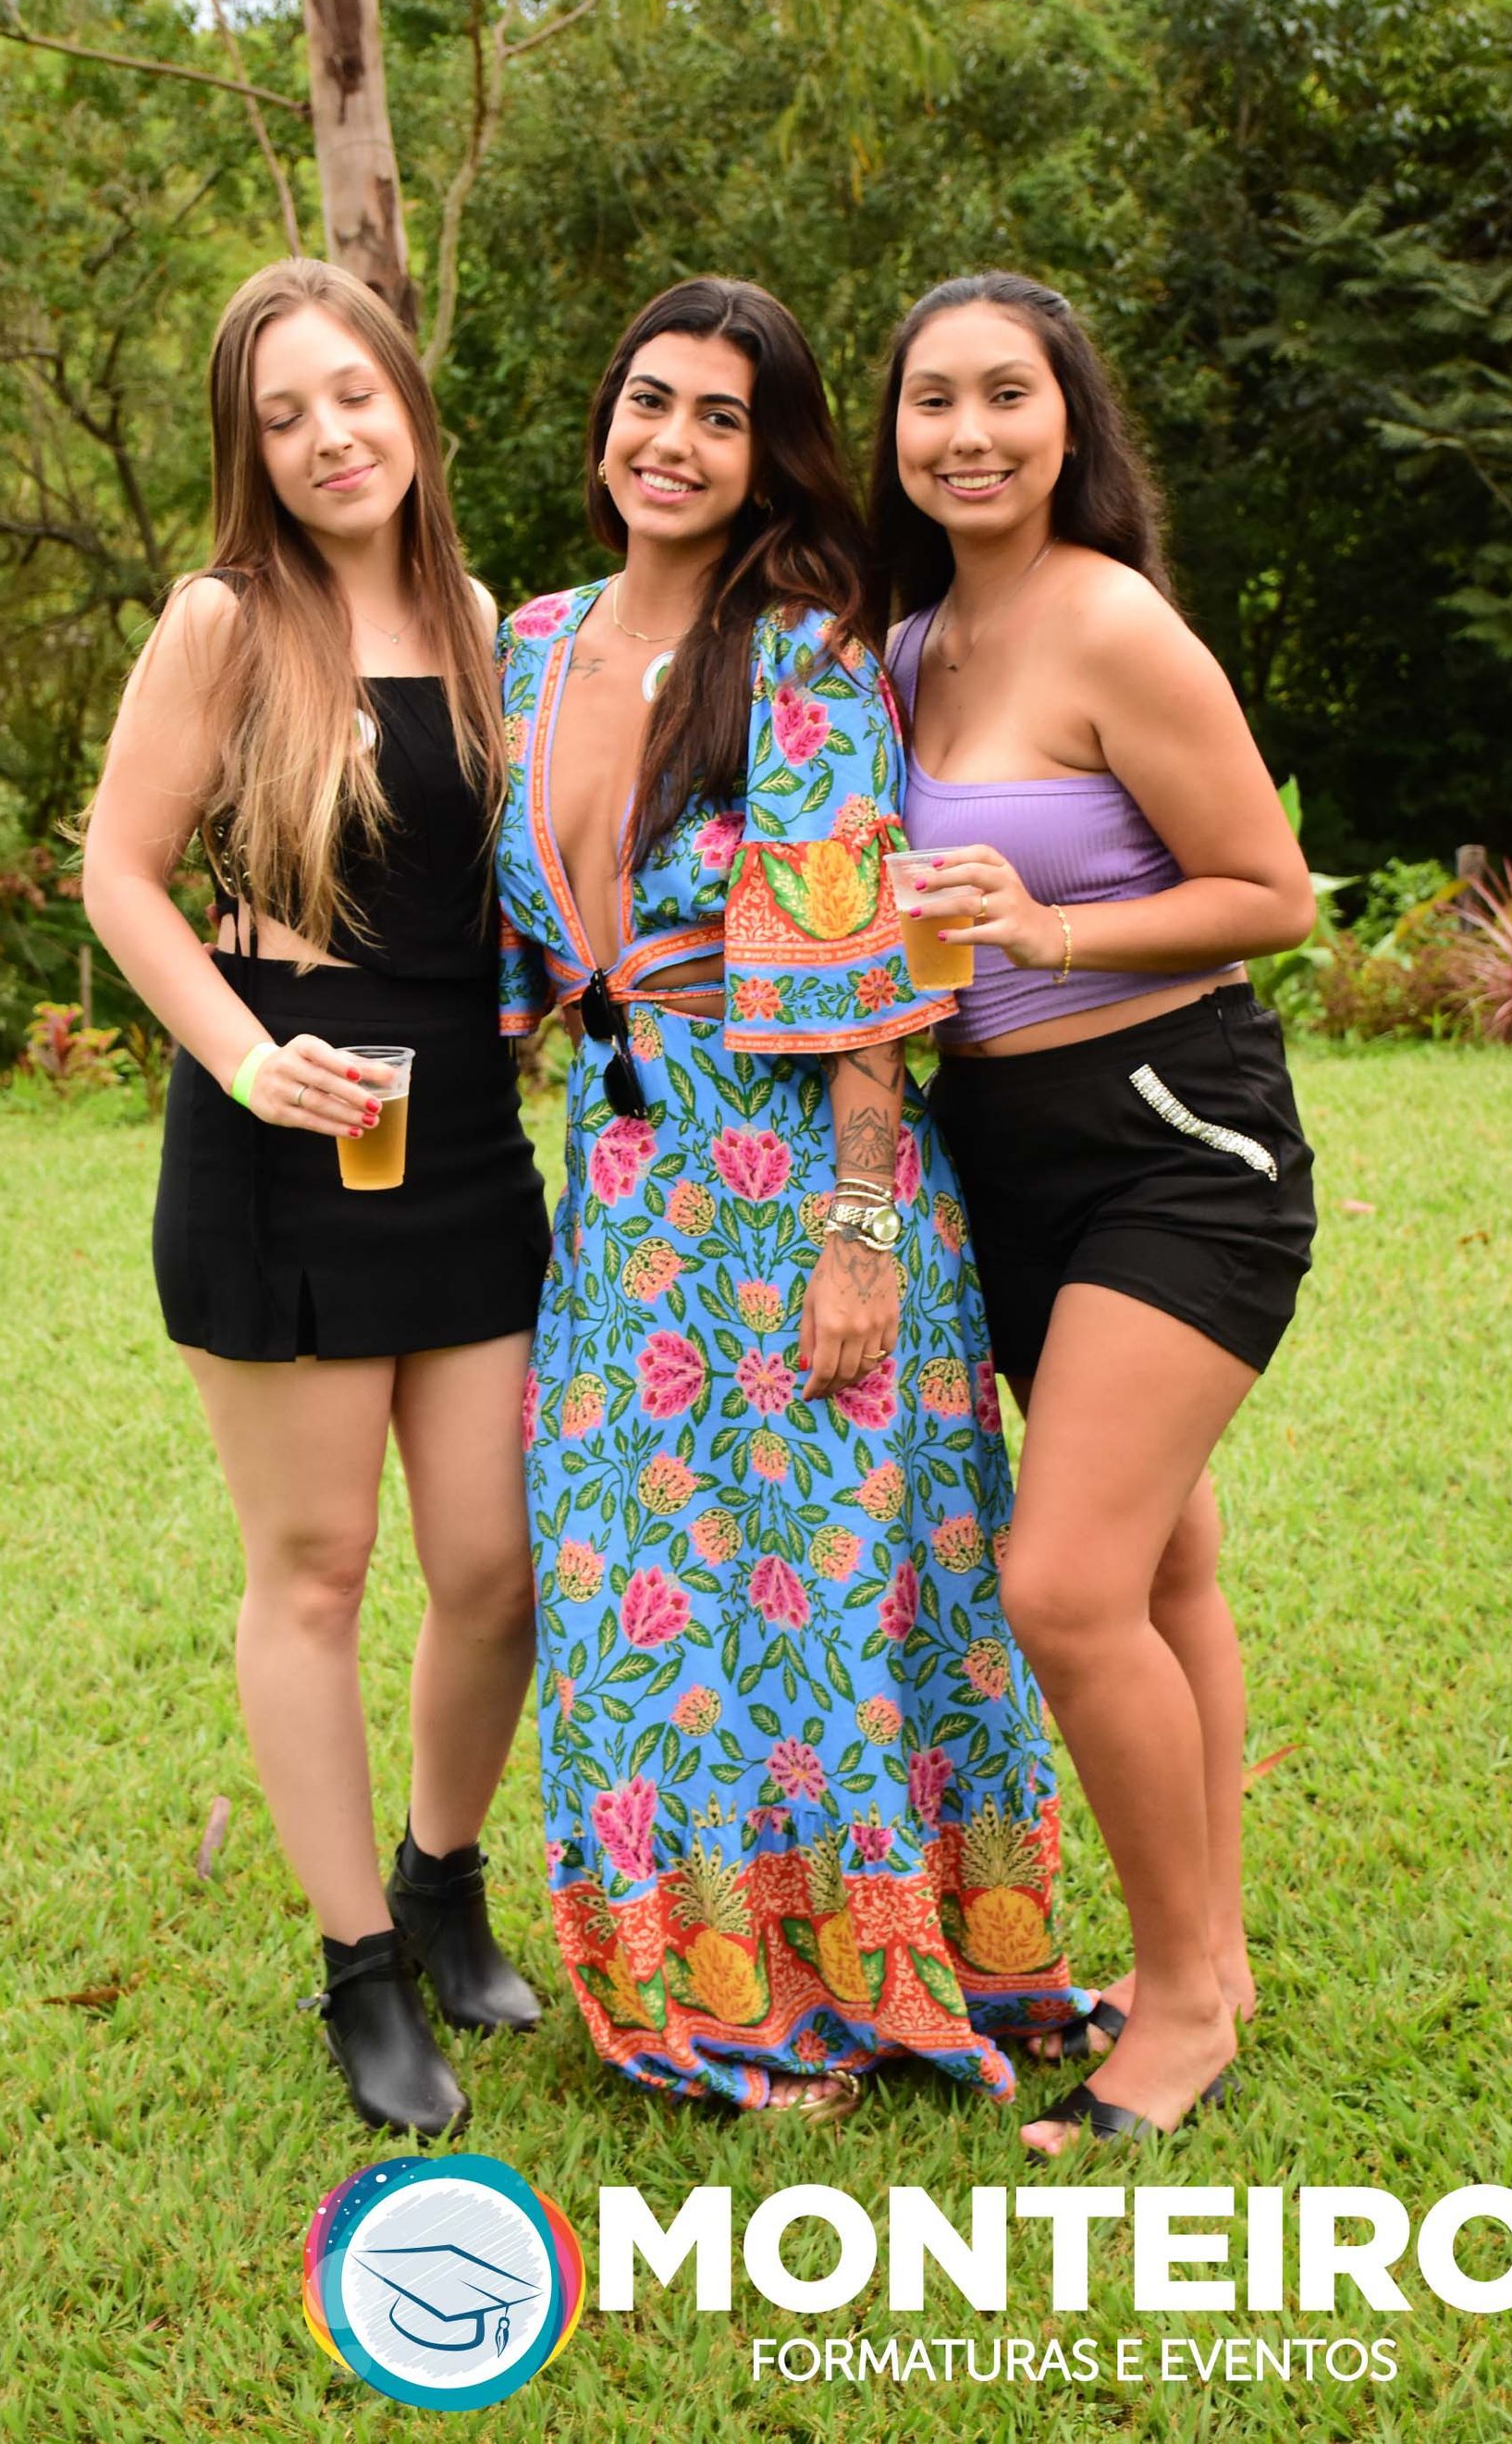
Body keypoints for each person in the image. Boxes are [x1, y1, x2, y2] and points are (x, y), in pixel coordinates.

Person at [496, 276, 1089, 2117]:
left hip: (794, 1192)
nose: (671, 441)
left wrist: (859, 1238)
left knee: (834, 1594)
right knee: (636, 1600)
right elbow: (494, 945)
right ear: (606, 419)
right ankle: (698, 1981)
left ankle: (880, 1971)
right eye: (648, 399)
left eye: (720, 417)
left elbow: (868, 985)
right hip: (620, 1196)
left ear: (770, 461)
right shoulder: (530, 644)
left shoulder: (808, 650)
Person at [81, 258, 551, 2140]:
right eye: (283, 416)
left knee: (497, 1567)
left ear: (408, 401)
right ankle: (361, 1965)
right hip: (284, 1136)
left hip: (465, 1138)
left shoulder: (483, 617)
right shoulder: (225, 620)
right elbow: (118, 872)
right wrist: (243, 1053)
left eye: (352, 393)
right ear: (250, 451)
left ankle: (442, 1877)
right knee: (317, 1566)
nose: (329, 436)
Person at [866, 270, 1318, 2154]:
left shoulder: (1113, 620)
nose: (968, 433)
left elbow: (1273, 891)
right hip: (1001, 1154)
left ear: (1070, 423)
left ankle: (1186, 2000)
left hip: (1169, 1139)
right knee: (1161, 1568)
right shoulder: (909, 645)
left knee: (1062, 1587)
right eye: (933, 400)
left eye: (1008, 395)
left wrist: (1050, 927)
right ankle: (1207, 1952)